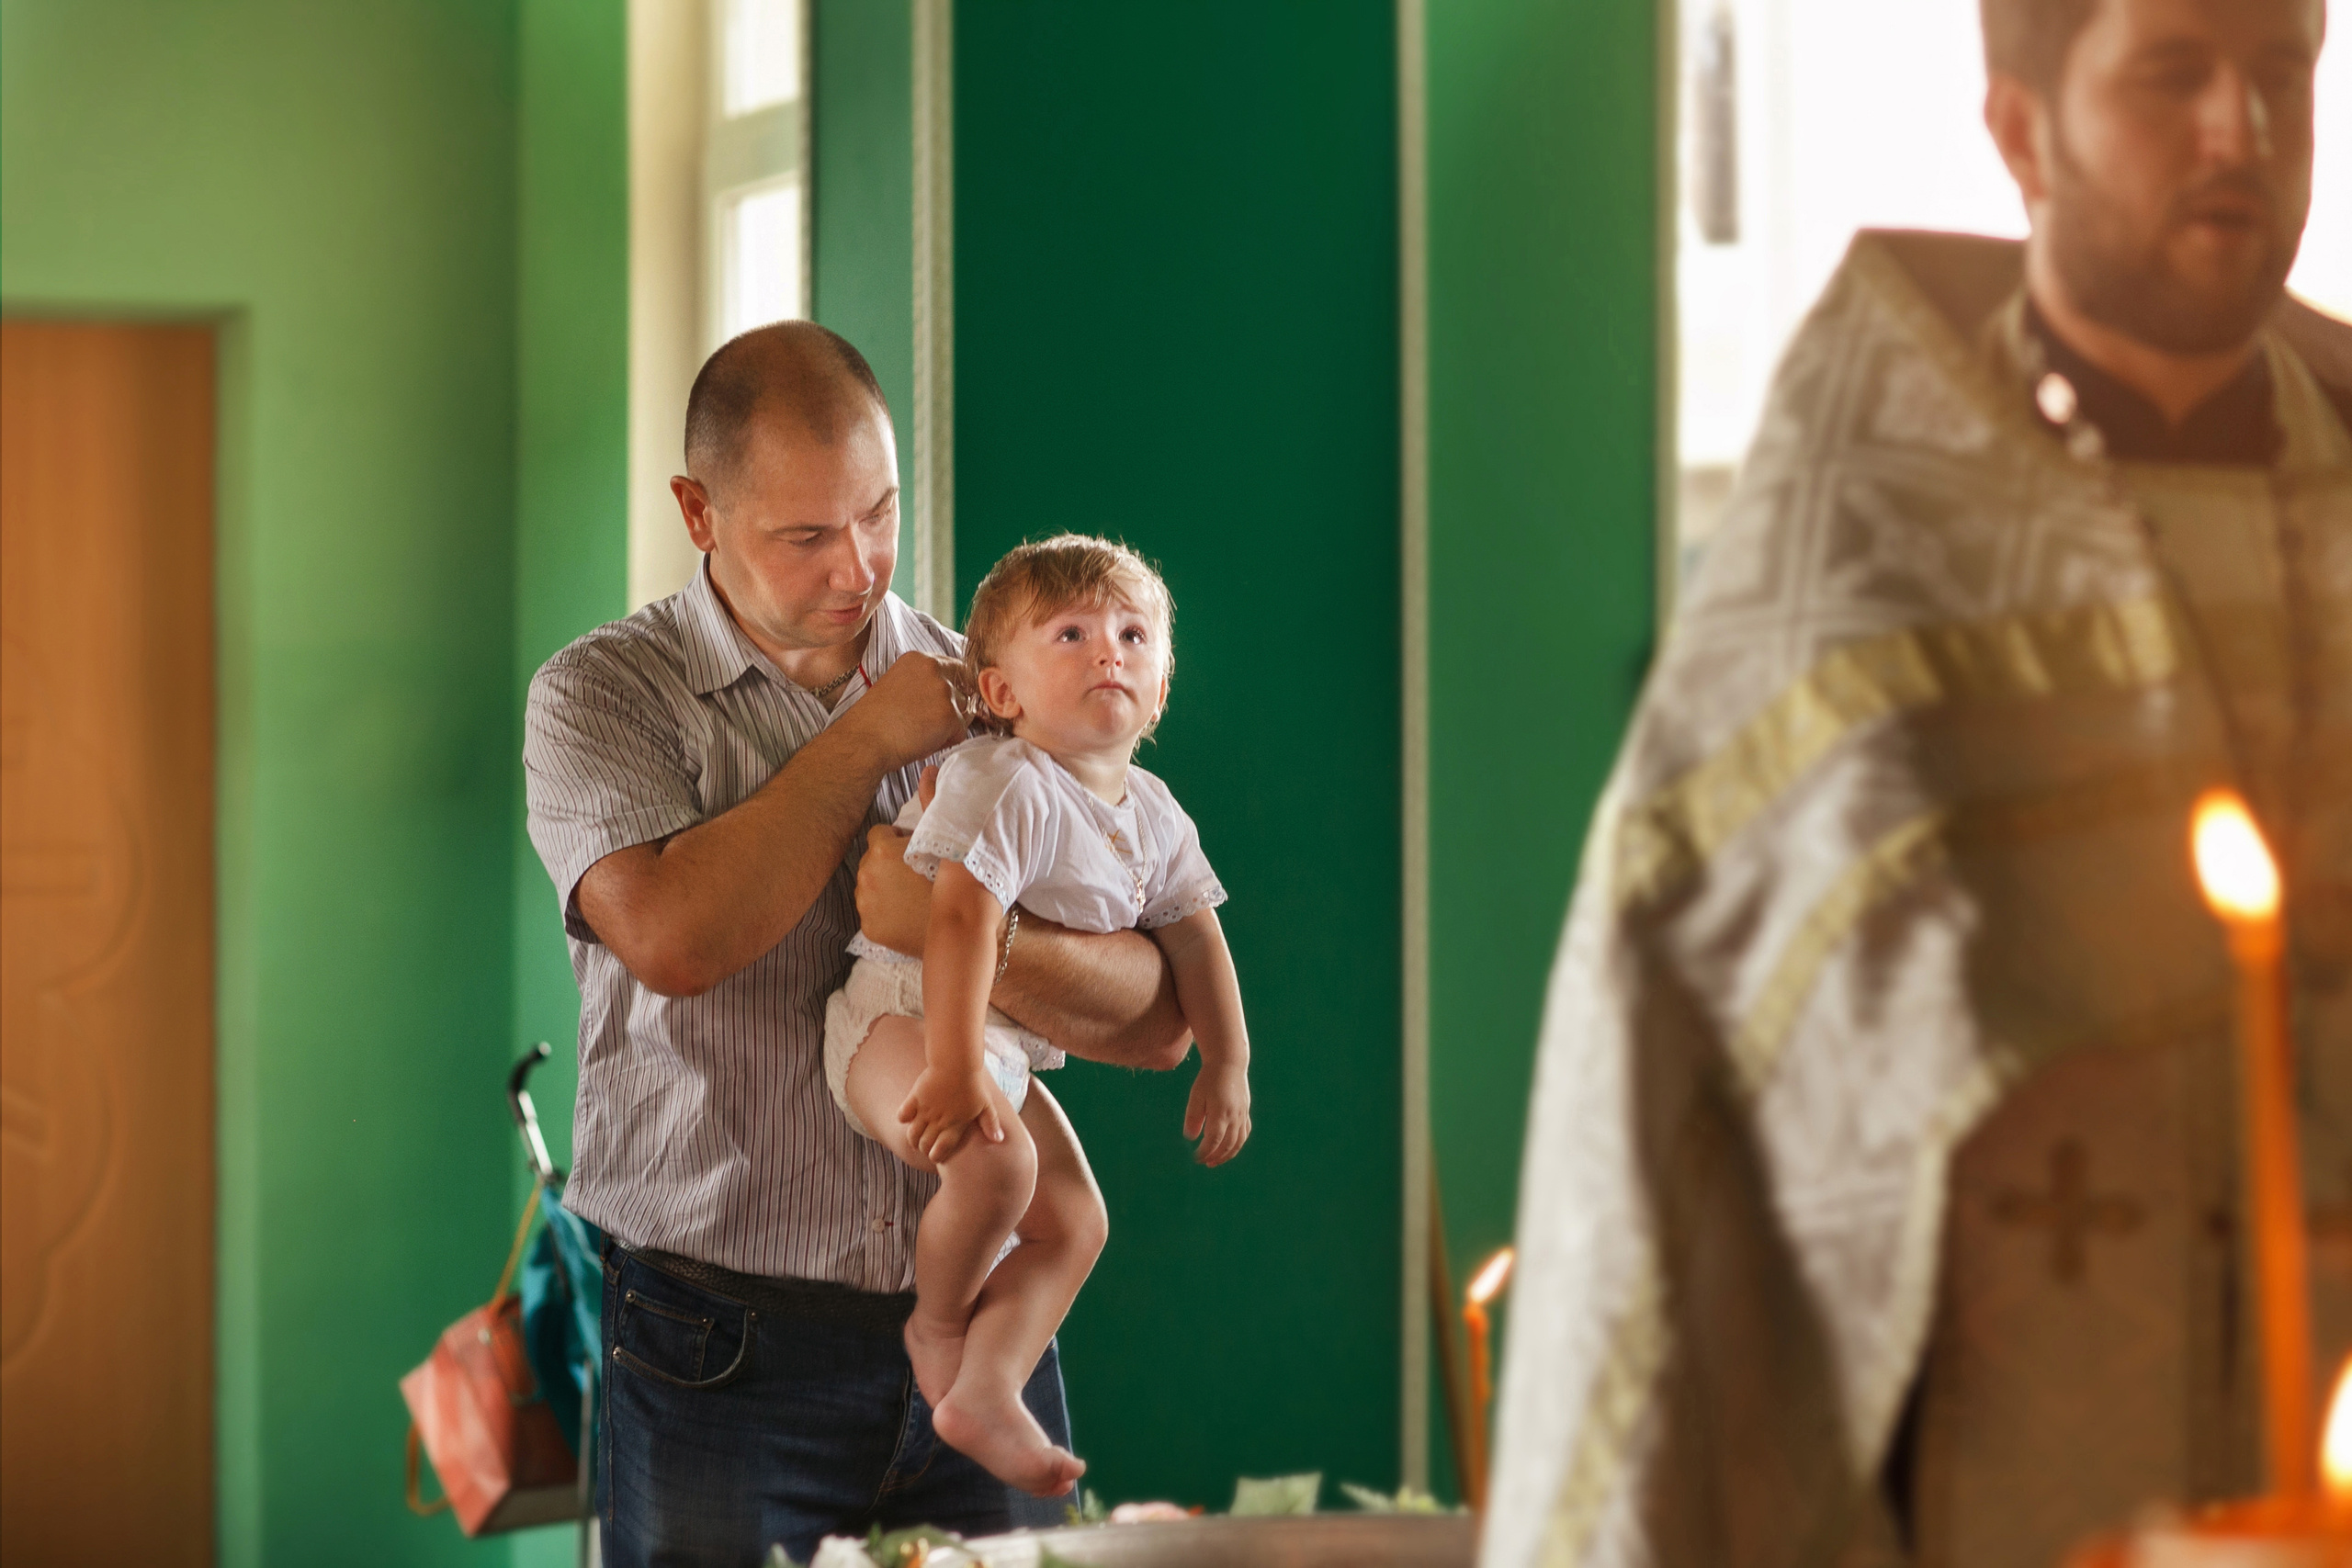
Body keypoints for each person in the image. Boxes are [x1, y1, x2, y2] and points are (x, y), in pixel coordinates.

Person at [1481, 2, 2349, 1566]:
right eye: (2175, 73)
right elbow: (1686, 1087)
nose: (2246, 128)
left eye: (2284, 69)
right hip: (2001, 1469)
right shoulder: (1863, 554)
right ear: (2020, 129)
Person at [523, 321, 1193, 1568]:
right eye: (808, 535)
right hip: (720, 1346)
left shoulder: (993, 682)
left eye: (881, 515)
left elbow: (1161, 1016)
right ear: (698, 511)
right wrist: (866, 745)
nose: (861, 567)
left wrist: (971, 937)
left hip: (985, 1331)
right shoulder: (600, 695)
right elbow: (671, 939)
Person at [820, 535, 1253, 1497]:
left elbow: (1196, 942)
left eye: (1134, 635)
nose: (1109, 651)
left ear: (1162, 687)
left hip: (1000, 1043)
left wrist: (1228, 1063)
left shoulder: (1154, 811)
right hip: (898, 1018)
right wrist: (954, 1062)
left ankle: (986, 1384)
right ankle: (938, 1328)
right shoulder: (1003, 777)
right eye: (1071, 634)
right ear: (1003, 694)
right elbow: (963, 917)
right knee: (1000, 1165)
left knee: (1077, 1223)